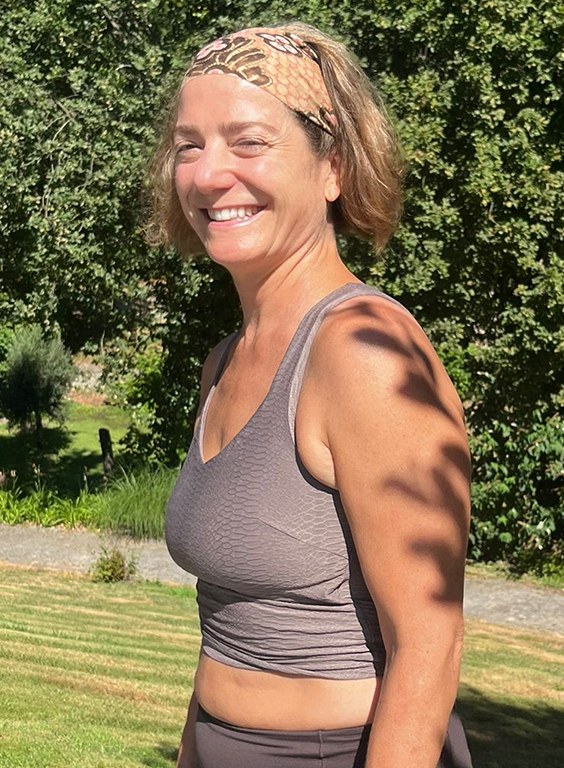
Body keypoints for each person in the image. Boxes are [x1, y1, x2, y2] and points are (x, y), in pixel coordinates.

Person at [143, 22, 473, 768]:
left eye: (248, 142)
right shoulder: (224, 362)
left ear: (333, 168)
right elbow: (224, 624)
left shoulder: (365, 351)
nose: (208, 174)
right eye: (189, 146)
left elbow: (430, 642)